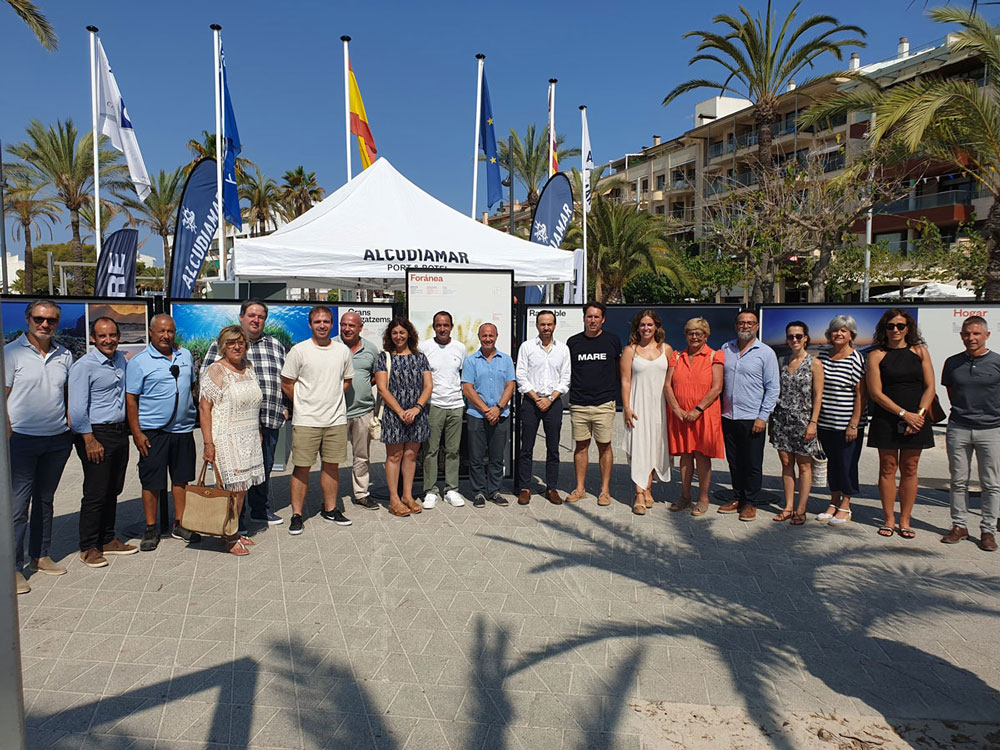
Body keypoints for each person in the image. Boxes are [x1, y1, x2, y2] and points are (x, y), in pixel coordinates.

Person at [5, 300, 74, 593]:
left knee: (45, 501)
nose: (45, 324)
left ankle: (40, 556)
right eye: (39, 318)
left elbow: (68, 393)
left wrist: (69, 426)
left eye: (51, 320)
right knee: (18, 506)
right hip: (20, 439)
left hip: (57, 439)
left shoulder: (65, 354)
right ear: (28, 319)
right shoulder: (10, 354)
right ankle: (12, 568)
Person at [201, 299, 288, 528]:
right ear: (241, 317)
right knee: (234, 479)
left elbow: (287, 379)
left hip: (265, 421)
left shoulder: (275, 345)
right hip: (230, 430)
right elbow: (206, 395)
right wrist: (208, 441)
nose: (255, 320)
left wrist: (286, 406)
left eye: (260, 316)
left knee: (261, 471)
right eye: (251, 315)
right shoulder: (217, 352)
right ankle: (232, 523)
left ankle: (259, 511)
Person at [126, 314, 201, 552]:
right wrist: (137, 433)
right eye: (161, 331)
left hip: (183, 430)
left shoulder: (185, 355)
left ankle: (181, 523)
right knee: (152, 482)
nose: (166, 335)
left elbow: (191, 386)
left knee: (181, 478)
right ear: (151, 332)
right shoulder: (139, 362)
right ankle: (151, 528)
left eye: (170, 331)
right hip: (152, 432)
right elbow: (131, 400)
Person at [68, 317, 137, 569]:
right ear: (93, 339)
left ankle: (108, 539)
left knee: (113, 488)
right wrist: (88, 439)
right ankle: (88, 547)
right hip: (96, 433)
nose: (108, 340)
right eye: (102, 336)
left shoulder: (119, 359)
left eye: (112, 335)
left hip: (119, 432)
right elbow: (76, 408)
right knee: (96, 493)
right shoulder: (83, 366)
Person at [280, 306, 354, 535]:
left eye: (326, 321)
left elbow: (347, 380)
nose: (322, 325)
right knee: (301, 468)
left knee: (332, 467)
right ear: (310, 325)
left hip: (335, 419)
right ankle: (297, 514)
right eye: (317, 321)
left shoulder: (342, 351)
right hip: (306, 420)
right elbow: (286, 382)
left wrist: (330, 398)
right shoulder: (299, 350)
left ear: (332, 324)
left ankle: (330, 509)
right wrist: (303, 402)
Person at [867, 308, 935, 540]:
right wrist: (904, 414)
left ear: (908, 328)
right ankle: (889, 519)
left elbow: (930, 387)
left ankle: (905, 520)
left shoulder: (920, 351)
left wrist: (919, 415)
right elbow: (875, 393)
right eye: (891, 326)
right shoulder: (877, 355)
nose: (895, 330)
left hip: (918, 418)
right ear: (884, 329)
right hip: (888, 417)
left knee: (910, 468)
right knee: (887, 467)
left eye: (900, 326)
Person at [199, 326, 266, 555]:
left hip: (248, 436)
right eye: (231, 343)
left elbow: (253, 401)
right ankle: (227, 536)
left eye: (240, 342)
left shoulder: (248, 367)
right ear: (223, 346)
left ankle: (233, 531)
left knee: (242, 489)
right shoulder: (216, 371)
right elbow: (204, 409)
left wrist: (257, 428)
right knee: (231, 490)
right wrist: (208, 444)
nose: (236, 347)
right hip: (226, 437)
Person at [940, 315, 1000, 551]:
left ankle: (988, 530)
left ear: (987, 335)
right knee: (958, 481)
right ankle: (959, 526)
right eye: (967, 334)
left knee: (991, 483)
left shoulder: (997, 362)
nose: (971, 338)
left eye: (976, 334)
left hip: (991, 429)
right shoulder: (953, 362)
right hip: (959, 427)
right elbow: (951, 392)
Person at [718, 308, 780, 522]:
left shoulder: (766, 353)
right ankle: (737, 497)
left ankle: (750, 502)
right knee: (734, 462)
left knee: (752, 463)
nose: (745, 326)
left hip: (753, 418)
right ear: (736, 325)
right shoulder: (726, 348)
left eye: (750, 323)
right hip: (728, 416)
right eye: (742, 322)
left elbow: (773, 388)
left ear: (757, 326)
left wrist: (763, 417)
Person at [665, 317, 724, 516]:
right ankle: (685, 495)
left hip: (704, 414)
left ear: (706, 336)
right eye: (691, 333)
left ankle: (703, 498)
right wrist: (676, 409)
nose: (695, 337)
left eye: (699, 333)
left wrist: (697, 410)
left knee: (702, 455)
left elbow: (717, 388)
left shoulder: (714, 356)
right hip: (681, 415)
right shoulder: (677, 355)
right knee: (685, 454)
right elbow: (667, 385)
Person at [375, 317, 433, 517]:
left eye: (402, 332)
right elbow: (382, 388)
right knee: (394, 456)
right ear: (390, 336)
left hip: (417, 414)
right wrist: (400, 411)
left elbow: (428, 386)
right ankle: (394, 499)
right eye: (394, 333)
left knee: (410, 455)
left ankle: (408, 496)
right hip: (394, 414)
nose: (398, 336)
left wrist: (416, 408)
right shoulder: (384, 357)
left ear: (409, 333)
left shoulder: (420, 357)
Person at [566, 302, 622, 506]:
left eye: (596, 317)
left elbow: (619, 371)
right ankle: (580, 488)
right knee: (581, 446)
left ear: (603, 319)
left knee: (604, 446)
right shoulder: (573, 343)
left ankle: (604, 491)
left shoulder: (612, 341)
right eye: (589, 316)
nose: (592, 320)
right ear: (583, 318)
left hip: (604, 403)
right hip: (579, 403)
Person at [768, 321, 824, 525]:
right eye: (791, 336)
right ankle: (788, 506)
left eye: (798, 336)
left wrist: (813, 422)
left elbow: (818, 396)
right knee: (786, 464)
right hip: (782, 420)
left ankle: (801, 509)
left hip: (804, 420)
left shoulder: (814, 363)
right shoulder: (783, 361)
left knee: (804, 466)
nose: (794, 340)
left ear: (806, 338)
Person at [815, 315, 867, 529]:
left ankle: (846, 504)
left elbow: (861, 394)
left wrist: (854, 424)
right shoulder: (824, 357)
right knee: (833, 465)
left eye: (844, 331)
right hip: (826, 423)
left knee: (847, 465)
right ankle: (833, 501)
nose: (839, 334)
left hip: (848, 425)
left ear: (851, 335)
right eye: (836, 330)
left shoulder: (856, 359)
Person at [515, 310, 571, 506]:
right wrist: (536, 398)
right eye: (542, 324)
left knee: (553, 448)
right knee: (526, 447)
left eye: (549, 324)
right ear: (537, 326)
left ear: (554, 326)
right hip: (531, 402)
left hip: (553, 402)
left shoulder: (563, 349)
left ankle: (552, 488)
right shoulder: (527, 347)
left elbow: (565, 379)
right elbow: (520, 375)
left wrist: (551, 398)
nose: (546, 327)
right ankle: (524, 487)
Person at [620, 310, 673, 515]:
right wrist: (626, 408)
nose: (646, 328)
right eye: (642, 325)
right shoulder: (630, 351)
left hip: (660, 408)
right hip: (637, 407)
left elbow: (671, 381)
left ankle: (649, 488)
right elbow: (625, 381)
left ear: (656, 327)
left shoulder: (666, 350)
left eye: (650, 325)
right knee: (639, 448)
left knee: (655, 448)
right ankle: (639, 494)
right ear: (637, 327)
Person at [462, 323, 516, 508]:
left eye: (491, 336)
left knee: (496, 457)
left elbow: (511, 385)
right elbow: (467, 388)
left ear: (496, 336)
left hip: (501, 414)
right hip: (477, 414)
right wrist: (486, 410)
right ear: (479, 337)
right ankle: (478, 492)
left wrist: (498, 408)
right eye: (484, 336)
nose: (487, 339)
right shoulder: (471, 361)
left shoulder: (506, 360)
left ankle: (494, 491)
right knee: (476, 457)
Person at [421, 311, 468, 509]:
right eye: (439, 325)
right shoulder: (424, 347)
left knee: (453, 450)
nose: (442, 329)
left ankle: (451, 489)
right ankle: (430, 491)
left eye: (446, 325)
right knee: (430, 450)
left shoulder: (460, 348)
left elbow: (462, 374)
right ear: (434, 327)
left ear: (451, 326)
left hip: (456, 405)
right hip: (433, 405)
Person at [337, 311, 381, 511]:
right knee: (332, 458)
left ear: (360, 328)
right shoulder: (331, 346)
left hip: (363, 411)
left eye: (352, 325)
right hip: (335, 412)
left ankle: (362, 493)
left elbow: (375, 376)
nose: (347, 329)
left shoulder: (371, 349)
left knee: (362, 455)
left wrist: (362, 385)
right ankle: (331, 498)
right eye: (344, 324)